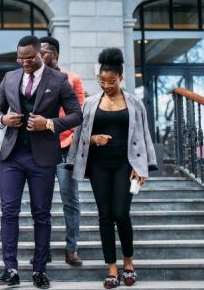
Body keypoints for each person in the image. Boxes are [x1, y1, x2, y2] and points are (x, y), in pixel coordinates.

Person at [0, 36, 83, 289]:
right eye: (20, 58)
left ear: (40, 55)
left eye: (29, 58)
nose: (24, 63)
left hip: (42, 157)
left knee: (41, 215)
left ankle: (39, 270)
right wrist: (3, 120)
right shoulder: (10, 77)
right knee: (8, 212)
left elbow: (78, 115)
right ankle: (10, 268)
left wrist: (50, 123)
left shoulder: (59, 80)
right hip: (12, 156)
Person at [67, 48, 157, 289]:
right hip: (99, 165)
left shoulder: (135, 103)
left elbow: (144, 136)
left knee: (120, 213)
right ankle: (112, 269)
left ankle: (129, 262)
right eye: (102, 81)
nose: (106, 85)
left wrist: (143, 168)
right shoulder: (90, 103)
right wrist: (94, 139)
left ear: (121, 78)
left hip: (125, 165)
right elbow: (81, 135)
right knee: (104, 216)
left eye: (111, 81)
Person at [39, 36, 85, 266]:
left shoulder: (72, 79)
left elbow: (77, 114)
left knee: (70, 200)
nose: (39, 56)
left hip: (66, 148)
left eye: (43, 52)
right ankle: (42, 251)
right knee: (41, 203)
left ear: (54, 54)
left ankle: (71, 249)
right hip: (41, 149)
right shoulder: (34, 80)